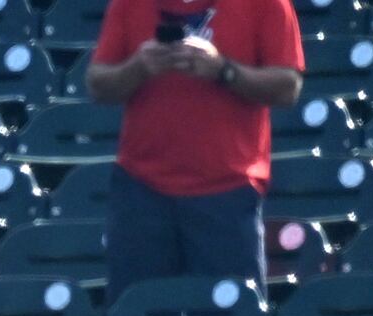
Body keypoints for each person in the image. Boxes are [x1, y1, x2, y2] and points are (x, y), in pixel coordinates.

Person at [87, 0, 304, 298]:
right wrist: (138, 68)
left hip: (227, 189)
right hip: (142, 189)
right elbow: (98, 84)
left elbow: (287, 87)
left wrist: (222, 70)